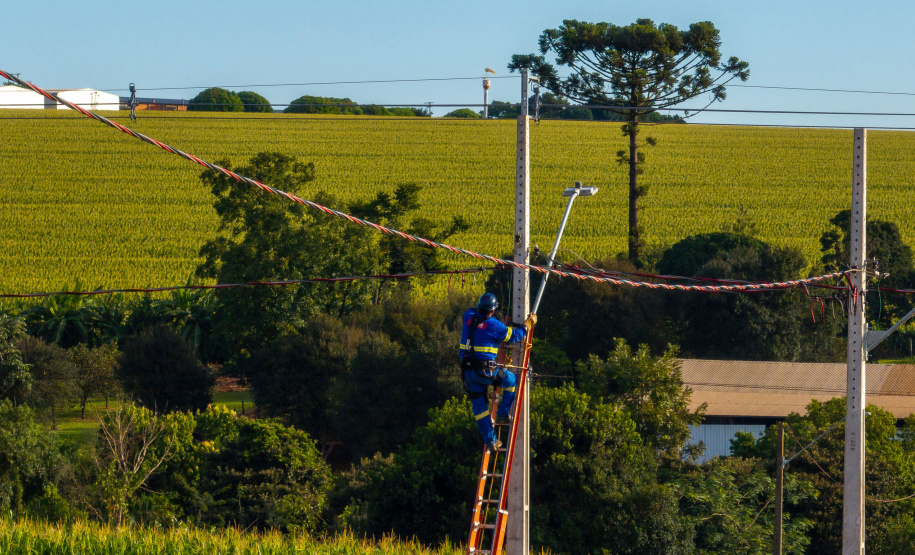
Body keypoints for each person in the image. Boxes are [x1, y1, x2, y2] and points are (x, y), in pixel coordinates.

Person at [460, 292, 534, 452]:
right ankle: (502, 413)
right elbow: (514, 336)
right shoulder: (494, 325)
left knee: (479, 408)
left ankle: (491, 441)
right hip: (486, 372)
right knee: (511, 381)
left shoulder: (468, 318)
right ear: (493, 311)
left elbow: (472, 311)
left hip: (468, 373)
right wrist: (527, 324)